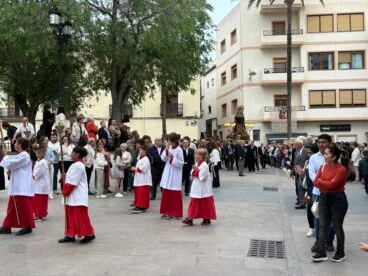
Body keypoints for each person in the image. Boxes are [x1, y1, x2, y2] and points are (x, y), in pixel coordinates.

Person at [311, 144, 349, 263]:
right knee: (322, 226)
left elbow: (333, 185)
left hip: (338, 199)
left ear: (334, 157)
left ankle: (340, 252)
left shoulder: (341, 169)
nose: (324, 156)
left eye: (327, 154)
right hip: (324, 197)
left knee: (337, 226)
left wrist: (323, 182)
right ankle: (321, 252)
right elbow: (315, 182)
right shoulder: (322, 167)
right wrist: (326, 182)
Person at [58, 146, 95, 244]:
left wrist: (65, 191)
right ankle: (70, 234)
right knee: (71, 216)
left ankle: (89, 234)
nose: (71, 154)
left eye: (73, 152)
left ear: (78, 154)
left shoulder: (78, 165)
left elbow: (73, 182)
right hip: (72, 195)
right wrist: (64, 177)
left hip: (76, 195)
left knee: (80, 216)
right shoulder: (74, 164)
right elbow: (70, 178)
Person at [0, 138, 35, 236]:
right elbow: (11, 165)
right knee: (12, 207)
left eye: (16, 142)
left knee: (24, 207)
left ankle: (27, 226)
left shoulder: (25, 155)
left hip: (22, 186)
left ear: (20, 145)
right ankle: (7, 226)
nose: (14, 144)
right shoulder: (20, 155)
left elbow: (11, 164)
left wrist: (6, 155)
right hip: (17, 186)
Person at [309, 134, 335, 254]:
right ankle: (319, 241)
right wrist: (322, 184)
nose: (321, 144)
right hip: (318, 192)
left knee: (333, 219)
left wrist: (328, 185)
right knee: (318, 218)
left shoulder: (336, 157)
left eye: (324, 142)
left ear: (329, 143)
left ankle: (329, 241)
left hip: (333, 192)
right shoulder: (314, 157)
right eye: (319, 142)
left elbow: (338, 174)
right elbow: (312, 173)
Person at [182, 148, 217, 226]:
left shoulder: (204, 165)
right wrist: (195, 171)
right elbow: (192, 174)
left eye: (197, 154)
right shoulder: (197, 164)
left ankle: (206, 218)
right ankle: (189, 218)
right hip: (196, 187)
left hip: (204, 188)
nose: (195, 156)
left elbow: (202, 176)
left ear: (202, 156)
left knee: (205, 203)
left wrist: (196, 171)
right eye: (196, 154)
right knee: (194, 202)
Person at [160, 132, 184, 220]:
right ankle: (167, 212)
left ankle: (175, 213)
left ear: (174, 141)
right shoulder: (169, 147)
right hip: (168, 171)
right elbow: (163, 159)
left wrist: (173, 158)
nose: (169, 142)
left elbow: (181, 163)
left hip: (175, 173)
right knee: (166, 192)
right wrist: (166, 151)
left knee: (174, 194)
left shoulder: (179, 149)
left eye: (170, 141)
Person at [131, 145, 152, 214]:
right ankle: (138, 205)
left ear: (145, 151)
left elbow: (143, 169)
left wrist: (135, 168)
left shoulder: (146, 159)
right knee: (139, 193)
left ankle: (142, 206)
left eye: (141, 150)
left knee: (142, 194)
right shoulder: (140, 159)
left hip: (144, 180)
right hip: (139, 179)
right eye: (139, 150)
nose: (139, 152)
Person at [33, 147, 50, 221]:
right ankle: (38, 214)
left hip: (42, 183)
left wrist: (33, 175)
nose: (38, 154)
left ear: (44, 154)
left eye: (40, 153)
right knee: (37, 200)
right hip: (38, 183)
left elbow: (39, 173)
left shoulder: (43, 162)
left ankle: (40, 215)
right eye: (37, 153)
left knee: (41, 201)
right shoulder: (38, 161)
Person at [293, 136, 308, 209]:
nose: (294, 146)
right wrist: (293, 171)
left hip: (303, 173)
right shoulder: (296, 152)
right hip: (297, 172)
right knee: (298, 187)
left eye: (295, 144)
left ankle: (302, 203)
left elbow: (308, 161)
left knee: (302, 188)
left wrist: (304, 169)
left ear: (300, 144)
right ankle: (300, 200)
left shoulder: (306, 150)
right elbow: (295, 162)